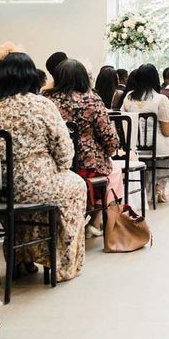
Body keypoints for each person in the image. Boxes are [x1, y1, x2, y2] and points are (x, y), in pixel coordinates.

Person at [0, 52, 87, 282]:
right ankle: (62, 264)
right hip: (33, 185)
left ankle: (21, 255)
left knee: (31, 199)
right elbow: (64, 153)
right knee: (76, 186)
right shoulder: (40, 105)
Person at [46, 59, 120, 235]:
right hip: (87, 163)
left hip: (55, 162)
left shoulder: (46, 100)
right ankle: (95, 220)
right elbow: (108, 135)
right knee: (114, 171)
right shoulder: (92, 100)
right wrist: (111, 149)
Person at [122, 64, 169, 199]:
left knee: (168, 145)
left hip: (133, 144)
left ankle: (151, 185)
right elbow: (166, 132)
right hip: (156, 143)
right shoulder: (160, 99)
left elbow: (124, 119)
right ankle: (161, 185)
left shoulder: (129, 97)